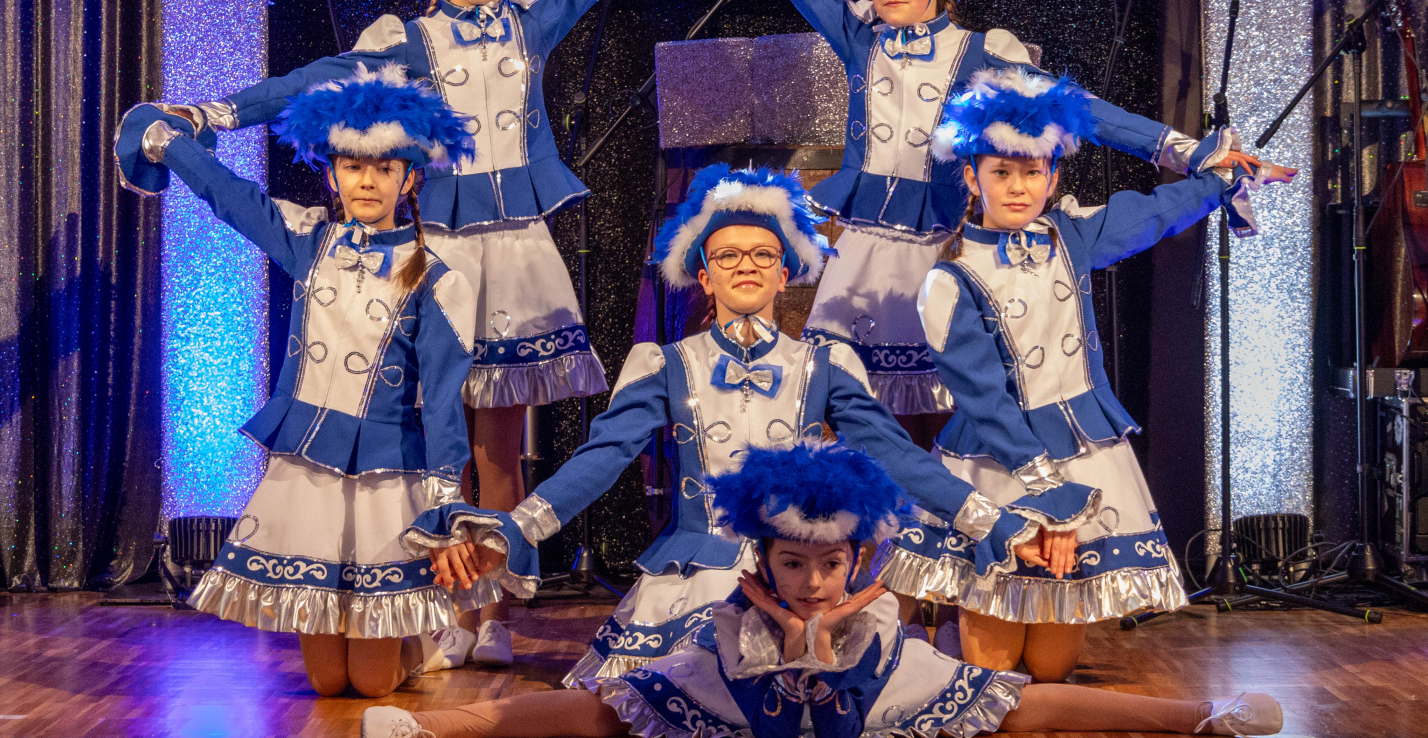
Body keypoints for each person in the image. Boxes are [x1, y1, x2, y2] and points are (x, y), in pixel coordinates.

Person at [114, 0, 708, 668]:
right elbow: (314, 77)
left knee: (500, 452)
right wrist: (214, 114)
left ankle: (487, 616)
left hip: (516, 257)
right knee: (427, 441)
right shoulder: (410, 40)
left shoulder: (535, 20)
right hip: (437, 254)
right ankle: (427, 609)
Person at [681, 0, 1262, 450]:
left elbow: (1083, 112)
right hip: (862, 257)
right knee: (851, 433)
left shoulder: (985, 55)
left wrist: (1186, 151)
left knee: (951, 431)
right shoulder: (860, 41)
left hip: (942, 256)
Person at [399, 162, 1095, 686]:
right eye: (727, 256)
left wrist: (1001, 526)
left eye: (763, 255)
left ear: (786, 273)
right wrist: (515, 529)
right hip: (696, 577)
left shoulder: (825, 364)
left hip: (803, 577)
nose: (746, 267)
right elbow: (599, 459)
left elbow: (900, 458)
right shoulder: (665, 364)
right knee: (641, 714)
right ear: (703, 276)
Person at [360, 441, 1283, 738]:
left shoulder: (872, 618)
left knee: (1021, 706)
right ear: (764, 562)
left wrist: (833, 626)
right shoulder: (735, 619)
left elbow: (838, 731)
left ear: (855, 562)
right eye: (792, 566)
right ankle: (431, 727)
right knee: (600, 712)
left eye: (828, 566)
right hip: (747, 696)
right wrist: (785, 628)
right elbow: (776, 735)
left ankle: (1202, 714)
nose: (810, 582)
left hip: (868, 692)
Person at [878, 67, 1284, 683]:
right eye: (1001, 173)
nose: (1019, 187)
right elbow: (988, 403)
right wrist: (1050, 503)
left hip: (1086, 451)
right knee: (992, 669)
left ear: (1053, 177)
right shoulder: (950, 280)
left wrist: (1224, 174)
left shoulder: (1071, 236)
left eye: (1033, 172)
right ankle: (941, 656)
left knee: (1049, 670)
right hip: (1002, 461)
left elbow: (1157, 212)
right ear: (972, 178)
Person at [117, 62, 492, 697]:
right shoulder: (309, 240)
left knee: (371, 685)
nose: (366, 180)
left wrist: (444, 504)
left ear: (409, 178)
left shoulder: (437, 275)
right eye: (352, 166)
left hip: (386, 476)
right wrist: (165, 140)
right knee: (326, 684)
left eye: (383, 168)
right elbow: (229, 196)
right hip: (308, 469)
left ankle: (425, 646)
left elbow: (442, 404)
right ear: (332, 173)